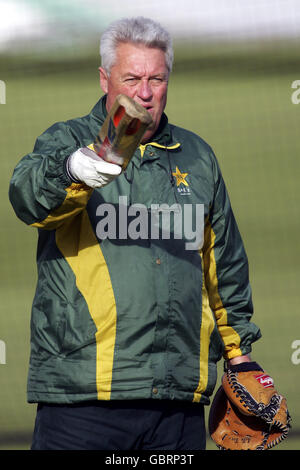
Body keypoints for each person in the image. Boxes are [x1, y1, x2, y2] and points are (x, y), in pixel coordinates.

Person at [9, 16, 261, 450]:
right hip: (83, 400)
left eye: (156, 78)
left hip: (178, 399)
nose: (145, 93)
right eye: (132, 78)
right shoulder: (66, 140)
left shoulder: (198, 156)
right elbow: (28, 200)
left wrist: (240, 357)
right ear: (105, 79)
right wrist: (74, 169)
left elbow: (223, 267)